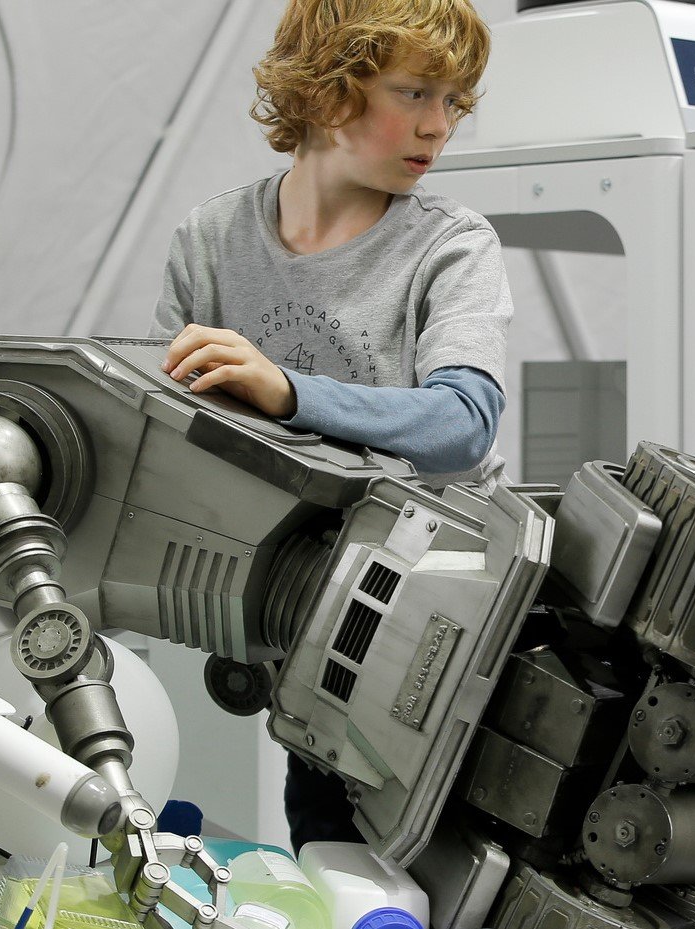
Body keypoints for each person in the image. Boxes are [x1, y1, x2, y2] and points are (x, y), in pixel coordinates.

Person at [149, 0, 509, 849]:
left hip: (445, 639)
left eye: (453, 101)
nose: (438, 127)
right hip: (303, 647)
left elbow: (463, 421)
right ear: (327, 87)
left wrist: (288, 394)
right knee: (331, 860)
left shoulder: (451, 245)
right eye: (415, 93)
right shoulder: (209, 241)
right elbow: (166, 434)